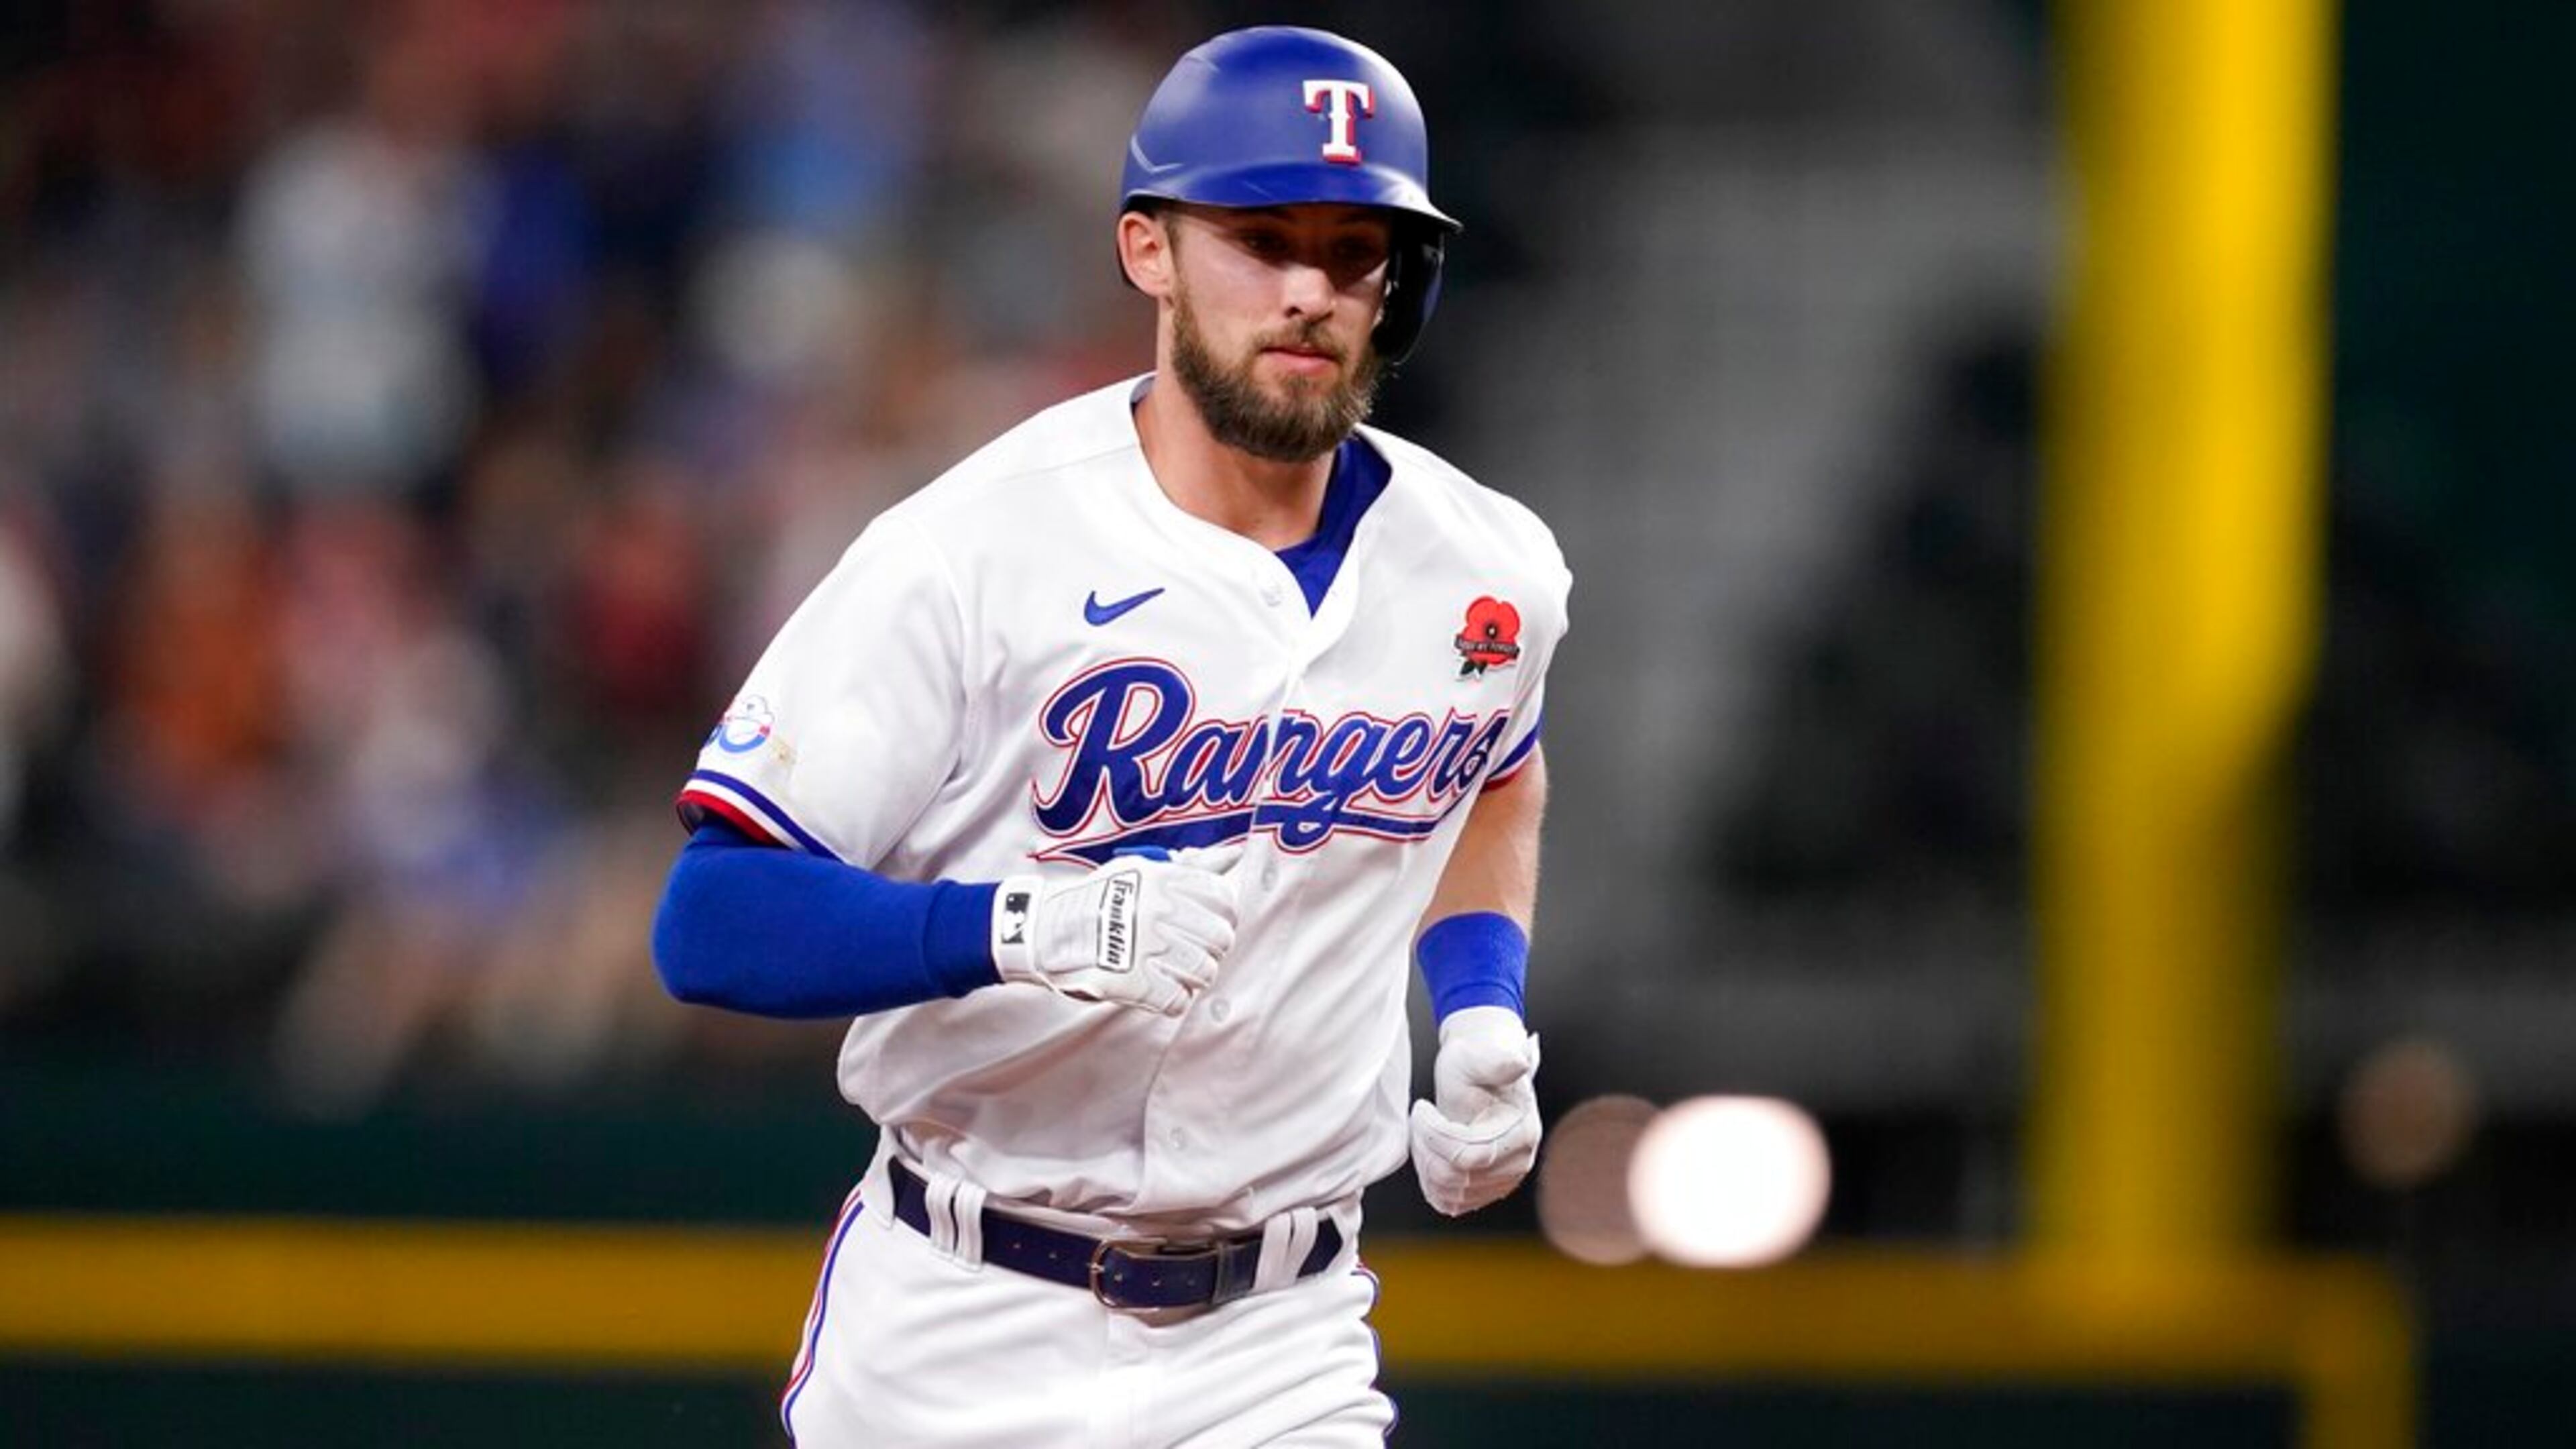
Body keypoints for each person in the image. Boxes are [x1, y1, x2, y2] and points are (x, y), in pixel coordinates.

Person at [651, 25, 1569, 1447]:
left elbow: (1494, 776)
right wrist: (1016, 928)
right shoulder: (969, 549)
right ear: (1149, 250)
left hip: (1280, 1335)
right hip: (962, 1314)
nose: (1310, 291)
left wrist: (1483, 1007)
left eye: (1354, 250)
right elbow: (711, 918)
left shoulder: (1486, 571)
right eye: (1261, 239)